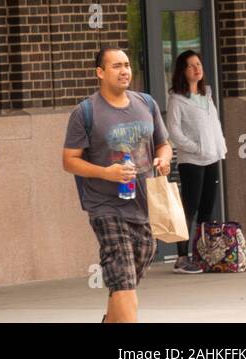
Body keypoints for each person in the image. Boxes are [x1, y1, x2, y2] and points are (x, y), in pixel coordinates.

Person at [63, 46, 172, 323]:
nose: (125, 71)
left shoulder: (146, 103)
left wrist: (162, 159)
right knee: (122, 277)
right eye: (116, 66)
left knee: (129, 276)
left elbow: (163, 144)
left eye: (127, 65)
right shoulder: (85, 112)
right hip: (106, 207)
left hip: (144, 205)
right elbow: (69, 160)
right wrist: (105, 172)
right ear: (100, 72)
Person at [164, 49, 228, 274]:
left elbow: (215, 125)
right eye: (191, 65)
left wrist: (220, 147)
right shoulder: (177, 100)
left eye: (199, 64)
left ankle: (203, 254)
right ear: (183, 71)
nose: (197, 68)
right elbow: (174, 132)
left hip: (212, 157)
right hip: (191, 161)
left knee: (207, 209)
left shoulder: (206, 95)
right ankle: (182, 258)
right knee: (188, 209)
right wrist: (196, 148)